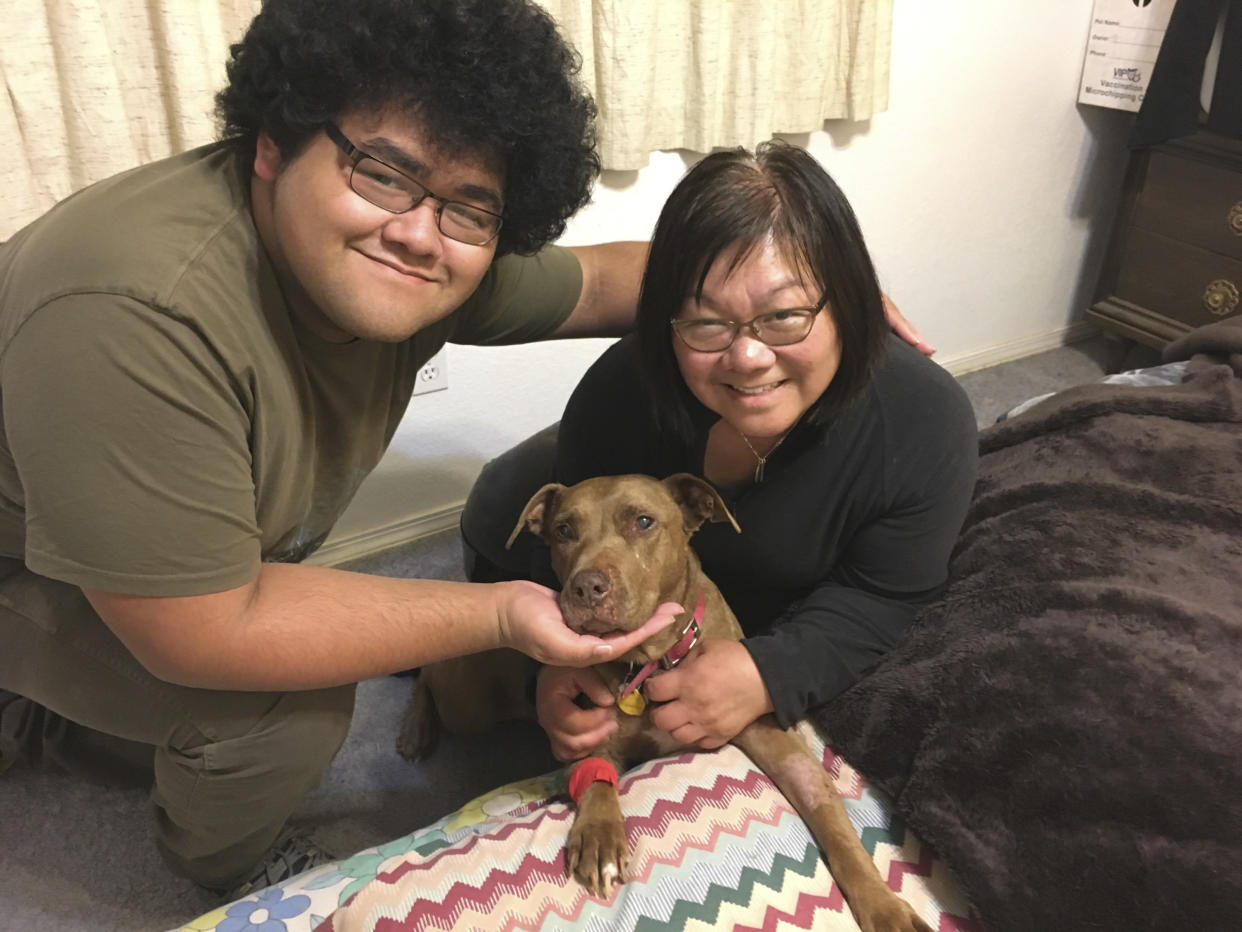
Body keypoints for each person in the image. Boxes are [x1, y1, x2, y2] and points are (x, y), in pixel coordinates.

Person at [0, 0, 929, 897]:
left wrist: (805, 293)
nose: (415, 233)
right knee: (294, 708)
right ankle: (212, 866)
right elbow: (206, 625)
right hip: (37, 563)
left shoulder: (428, 250)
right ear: (273, 141)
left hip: (125, 538)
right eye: (380, 170)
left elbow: (612, 280)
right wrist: (504, 617)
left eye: (466, 207)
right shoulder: (135, 314)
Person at [460, 141, 978, 763]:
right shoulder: (614, 396)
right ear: (666, 322)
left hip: (714, 589)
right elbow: (570, 564)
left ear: (850, 303)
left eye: (785, 315)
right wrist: (549, 663)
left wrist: (770, 669)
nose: (748, 356)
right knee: (496, 504)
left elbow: (890, 594)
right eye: (706, 323)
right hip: (567, 504)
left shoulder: (923, 419)